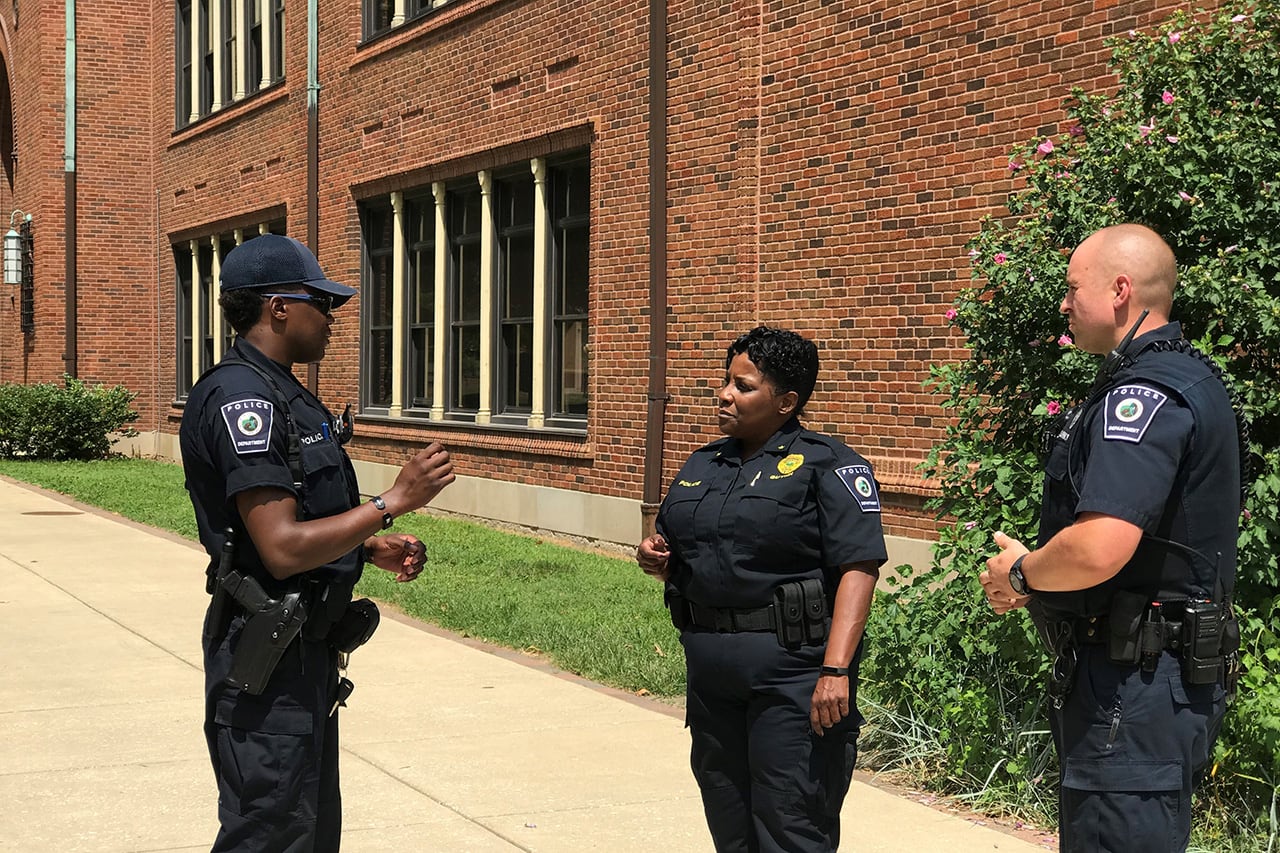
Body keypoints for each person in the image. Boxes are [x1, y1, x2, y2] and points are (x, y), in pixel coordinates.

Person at [180, 234, 456, 851]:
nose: (331, 317)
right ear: (279, 307)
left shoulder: (283, 391)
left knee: (305, 831)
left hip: (302, 656)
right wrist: (391, 503)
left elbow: (294, 519)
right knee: (272, 835)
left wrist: (364, 546)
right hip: (268, 662)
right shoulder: (244, 398)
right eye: (320, 302)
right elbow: (278, 546)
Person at [979, 223, 1242, 852]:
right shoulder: (1189, 378)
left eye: (1073, 288)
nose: (1063, 303)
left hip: (1134, 688)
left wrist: (1021, 573)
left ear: (1120, 290)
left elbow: (1100, 546)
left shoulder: (1142, 395)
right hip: (1149, 682)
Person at [637, 326, 887, 852]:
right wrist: (656, 556)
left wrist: (836, 671)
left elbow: (859, 570)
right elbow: (689, 546)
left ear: (785, 401)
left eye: (743, 386)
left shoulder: (830, 465)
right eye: (726, 381)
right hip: (711, 670)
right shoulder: (704, 463)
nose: (724, 394)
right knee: (728, 816)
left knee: (790, 819)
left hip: (792, 673)